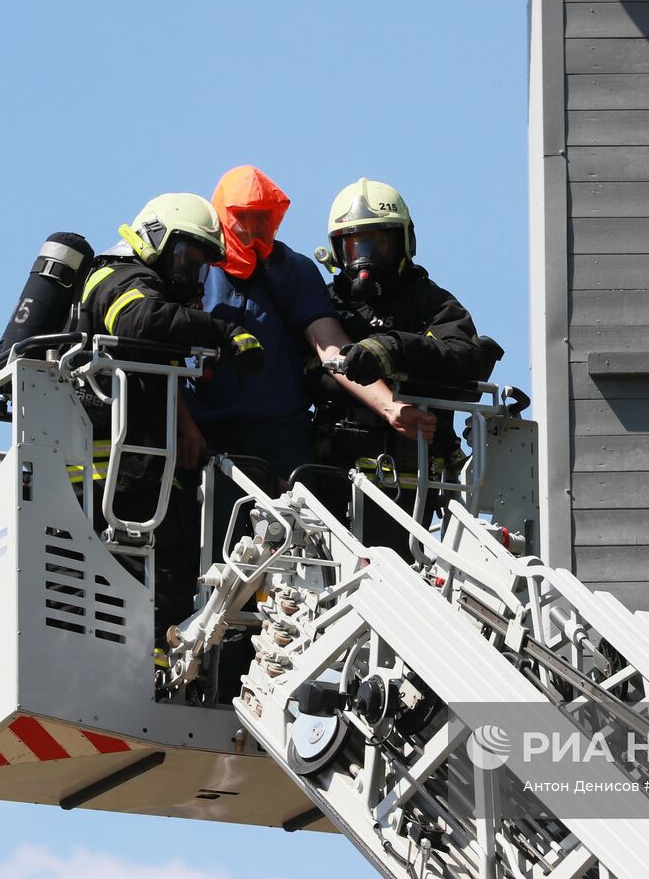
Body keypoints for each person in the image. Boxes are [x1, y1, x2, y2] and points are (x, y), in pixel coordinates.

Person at [184, 166, 435, 522]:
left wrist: (391, 408)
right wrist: (184, 427)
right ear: (222, 214)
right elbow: (170, 357)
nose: (255, 229)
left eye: (264, 217)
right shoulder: (195, 268)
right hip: (207, 437)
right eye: (244, 217)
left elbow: (331, 347)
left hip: (283, 438)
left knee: (300, 550)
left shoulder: (292, 271)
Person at [72, 192, 265, 646]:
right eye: (186, 258)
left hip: (137, 468)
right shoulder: (119, 279)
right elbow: (142, 323)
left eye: (200, 265)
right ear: (155, 239)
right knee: (148, 576)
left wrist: (186, 428)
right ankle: (146, 671)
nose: (192, 274)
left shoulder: (140, 282)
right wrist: (221, 331)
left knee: (172, 573)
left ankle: (157, 668)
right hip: (107, 473)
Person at [309, 177, 502, 557]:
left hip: (411, 486)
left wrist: (391, 349)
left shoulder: (432, 303)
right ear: (336, 251)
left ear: (403, 244)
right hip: (330, 479)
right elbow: (309, 369)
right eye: (354, 246)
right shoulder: (326, 309)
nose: (365, 258)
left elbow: (463, 357)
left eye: (378, 244)